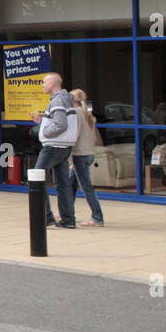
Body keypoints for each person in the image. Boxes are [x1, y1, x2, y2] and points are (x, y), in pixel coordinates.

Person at [30, 72, 77, 229]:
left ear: (52, 84)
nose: (42, 85)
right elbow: (60, 122)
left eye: (44, 82)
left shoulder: (57, 100)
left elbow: (60, 124)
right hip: (64, 147)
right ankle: (68, 219)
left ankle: (46, 216)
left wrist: (44, 131)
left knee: (36, 179)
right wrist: (42, 121)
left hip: (53, 146)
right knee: (63, 183)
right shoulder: (66, 100)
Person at [68, 88, 105, 227]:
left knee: (86, 187)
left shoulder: (76, 113)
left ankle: (97, 216)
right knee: (72, 183)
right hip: (89, 153)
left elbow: (74, 135)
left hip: (80, 155)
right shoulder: (87, 114)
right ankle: (66, 211)